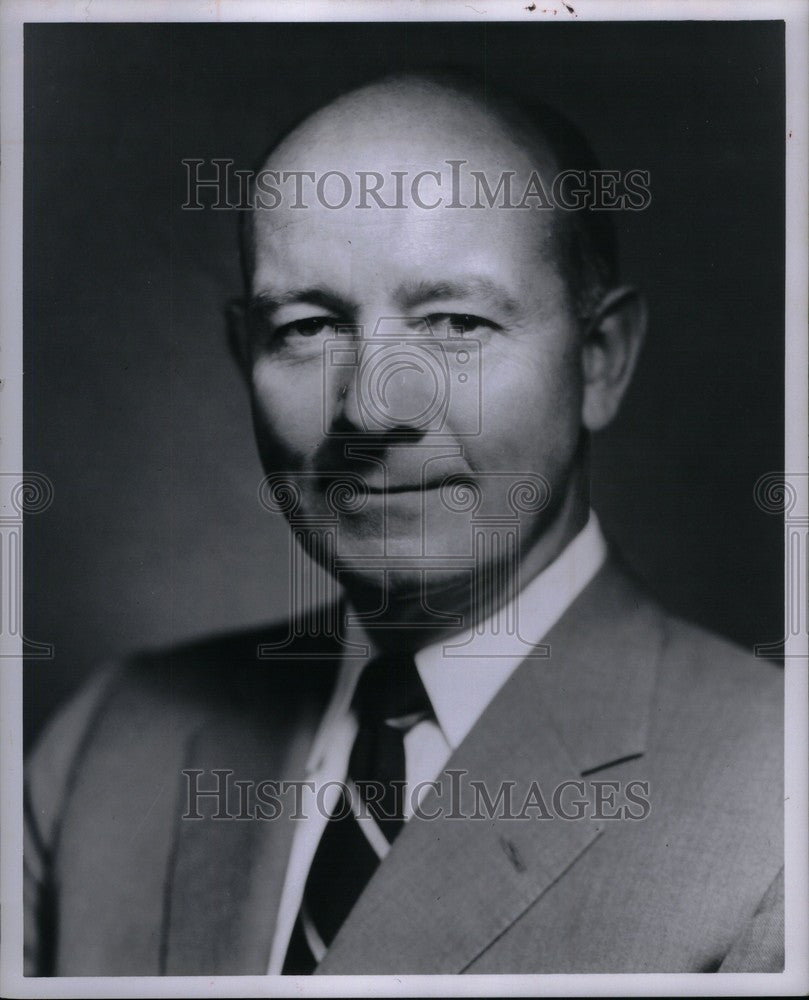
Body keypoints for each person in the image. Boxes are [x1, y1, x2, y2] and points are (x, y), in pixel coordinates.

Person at [24, 70, 783, 976]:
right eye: (306, 328)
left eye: (455, 322)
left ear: (599, 361)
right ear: (243, 358)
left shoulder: (777, 801)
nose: (372, 410)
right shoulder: (110, 742)